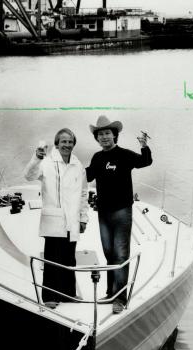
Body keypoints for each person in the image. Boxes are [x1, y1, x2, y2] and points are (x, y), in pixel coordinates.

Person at [86, 115, 152, 314]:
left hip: (122, 211)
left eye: (108, 133)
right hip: (103, 212)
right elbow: (86, 176)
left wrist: (144, 145)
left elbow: (145, 161)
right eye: (101, 134)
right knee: (108, 253)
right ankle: (110, 293)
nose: (104, 137)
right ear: (97, 138)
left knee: (120, 254)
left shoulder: (124, 155)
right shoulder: (97, 158)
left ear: (115, 136)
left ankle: (120, 299)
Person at [24, 128, 88, 309]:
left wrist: (83, 218)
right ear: (57, 143)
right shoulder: (46, 162)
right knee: (53, 258)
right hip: (54, 220)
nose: (67, 145)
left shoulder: (77, 165)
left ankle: (68, 294)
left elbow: (83, 193)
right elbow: (28, 176)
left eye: (70, 142)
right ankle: (50, 296)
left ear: (73, 144)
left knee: (69, 258)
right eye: (63, 142)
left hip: (72, 220)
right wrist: (36, 157)